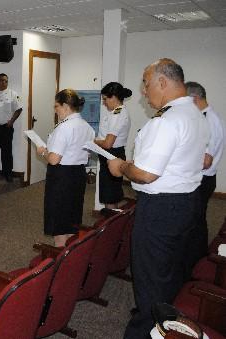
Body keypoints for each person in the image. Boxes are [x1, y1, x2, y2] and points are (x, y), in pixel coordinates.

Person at [107, 58, 209, 339]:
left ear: (163, 82)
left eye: (146, 83)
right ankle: (165, 314)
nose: (143, 90)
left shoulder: (167, 120)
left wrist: (122, 166)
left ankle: (148, 327)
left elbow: (146, 174)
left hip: (161, 209)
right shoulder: (195, 114)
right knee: (171, 269)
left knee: (151, 276)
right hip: (187, 202)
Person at [36, 89, 95, 247]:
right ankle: (72, 258)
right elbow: (87, 154)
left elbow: (54, 159)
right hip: (78, 174)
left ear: (66, 106)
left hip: (61, 176)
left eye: (57, 106)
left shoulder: (64, 127)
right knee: (72, 217)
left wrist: (43, 152)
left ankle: (60, 260)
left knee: (59, 220)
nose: (55, 110)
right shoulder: (87, 127)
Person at [185, 81, 225, 268]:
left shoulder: (209, 120)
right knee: (196, 220)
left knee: (196, 222)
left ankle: (196, 261)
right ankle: (197, 257)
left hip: (203, 179)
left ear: (194, 98)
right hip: (201, 178)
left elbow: (205, 161)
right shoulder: (204, 117)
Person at [94, 82, 132, 209]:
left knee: (109, 195)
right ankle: (114, 222)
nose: (104, 102)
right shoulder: (116, 112)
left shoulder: (118, 114)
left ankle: (110, 225)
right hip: (112, 154)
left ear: (114, 97)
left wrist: (93, 142)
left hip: (111, 154)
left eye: (105, 99)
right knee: (112, 192)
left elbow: (108, 143)